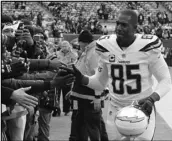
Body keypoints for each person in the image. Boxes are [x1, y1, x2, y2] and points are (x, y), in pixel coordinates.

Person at [64, 10, 172, 140]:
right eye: (118, 24)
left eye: (124, 25)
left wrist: (152, 98)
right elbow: (99, 82)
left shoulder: (147, 46)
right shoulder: (106, 45)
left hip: (142, 106)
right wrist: (82, 79)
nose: (119, 28)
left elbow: (165, 80)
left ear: (135, 28)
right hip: (116, 107)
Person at [68, 30, 108, 141]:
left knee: (93, 127)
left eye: (79, 43)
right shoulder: (88, 51)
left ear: (83, 42)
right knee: (90, 125)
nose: (78, 46)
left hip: (89, 97)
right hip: (83, 96)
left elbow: (98, 78)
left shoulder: (93, 53)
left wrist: (97, 98)